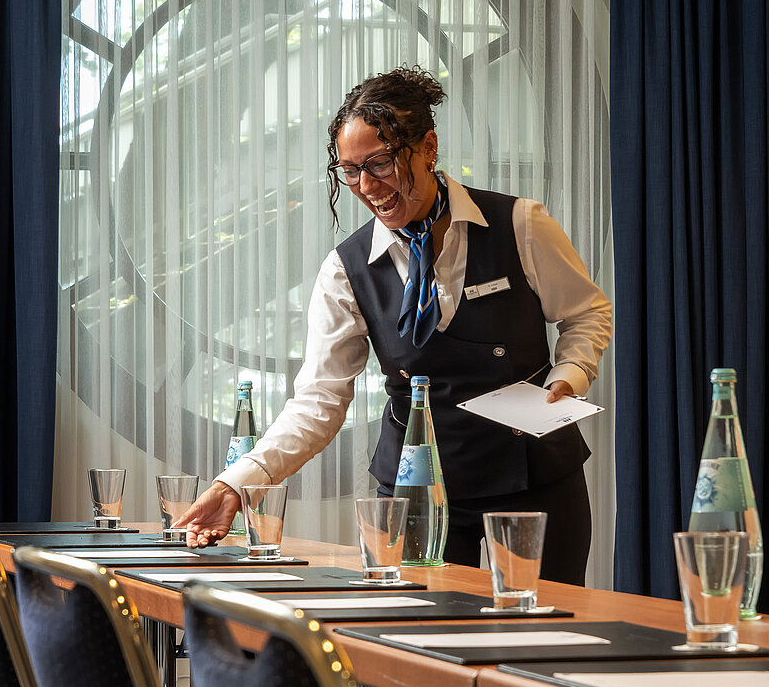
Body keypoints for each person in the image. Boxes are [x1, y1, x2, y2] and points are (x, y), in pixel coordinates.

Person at [176, 66, 611, 584]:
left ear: (428, 147)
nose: (366, 186)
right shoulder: (345, 268)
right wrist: (236, 485)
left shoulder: (520, 224)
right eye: (350, 170)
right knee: (421, 643)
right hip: (415, 495)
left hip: (532, 484)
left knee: (542, 635)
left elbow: (586, 313)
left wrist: (571, 375)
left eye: (379, 164)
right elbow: (319, 399)